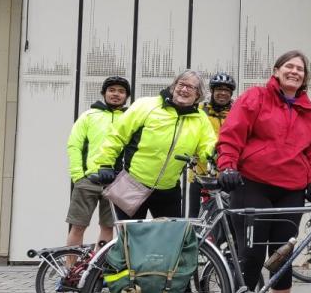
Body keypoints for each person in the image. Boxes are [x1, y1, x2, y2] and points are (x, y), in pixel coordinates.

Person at [215, 50, 311, 293]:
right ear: (276, 71)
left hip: (291, 189)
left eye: (300, 69)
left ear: (305, 77)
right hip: (252, 184)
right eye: (289, 66)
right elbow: (232, 134)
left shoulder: (307, 112)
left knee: (283, 257)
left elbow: (310, 154)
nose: (294, 71)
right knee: (250, 255)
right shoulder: (256, 97)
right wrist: (227, 165)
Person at [89, 70, 217, 221]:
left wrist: (217, 154)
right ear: (173, 87)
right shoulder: (147, 105)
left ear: (198, 95)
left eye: (191, 87)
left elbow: (207, 146)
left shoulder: (200, 118)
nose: (184, 89)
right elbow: (117, 135)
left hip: (168, 190)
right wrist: (105, 164)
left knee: (170, 241)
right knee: (130, 239)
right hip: (133, 183)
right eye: (181, 84)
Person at [64, 76, 130, 261]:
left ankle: (98, 270)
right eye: (112, 90)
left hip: (116, 181)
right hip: (88, 180)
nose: (116, 94)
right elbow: (74, 145)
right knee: (77, 226)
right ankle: (70, 271)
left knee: (108, 227)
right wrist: (78, 176)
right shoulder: (88, 116)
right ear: (104, 93)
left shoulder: (129, 118)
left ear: (127, 97)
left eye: (121, 91)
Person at [186, 72, 237, 217]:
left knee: (228, 219)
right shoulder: (199, 110)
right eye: (219, 89)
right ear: (212, 91)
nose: (222, 93)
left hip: (227, 176)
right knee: (195, 218)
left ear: (231, 93)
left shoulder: (236, 112)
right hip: (201, 175)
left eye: (226, 90)